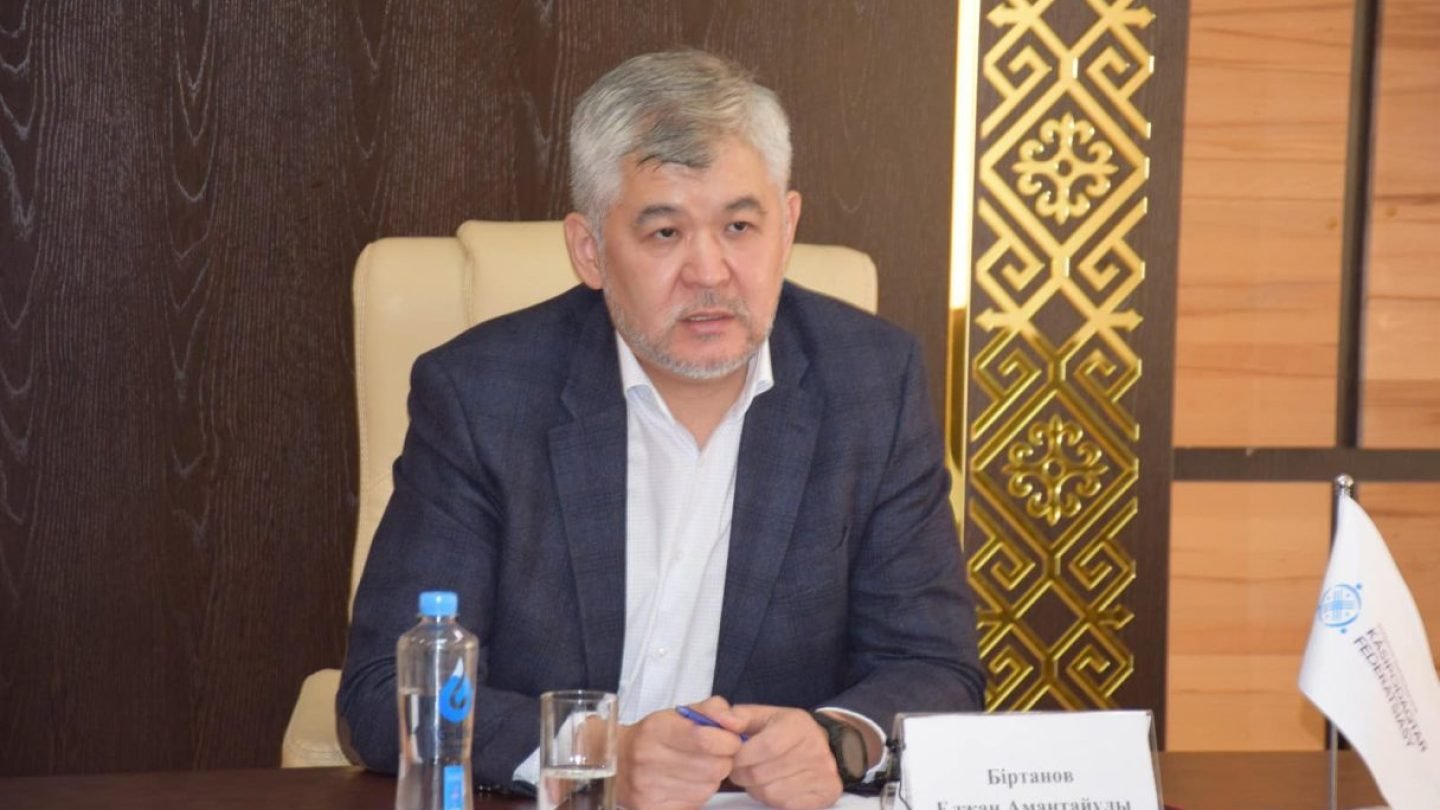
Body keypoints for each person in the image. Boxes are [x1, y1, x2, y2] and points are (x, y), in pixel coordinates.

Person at [337, 49, 984, 810]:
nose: (709, 272)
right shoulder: (483, 395)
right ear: (589, 250)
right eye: (666, 233)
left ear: (786, 227)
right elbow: (385, 693)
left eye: (739, 226)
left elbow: (935, 667)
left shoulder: (871, 384)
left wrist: (839, 739)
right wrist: (599, 752)